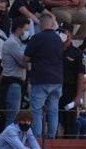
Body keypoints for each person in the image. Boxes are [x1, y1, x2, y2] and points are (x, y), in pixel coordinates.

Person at [25, 13, 65, 141]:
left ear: (41, 24)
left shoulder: (37, 38)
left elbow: (26, 57)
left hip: (41, 79)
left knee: (36, 110)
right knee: (53, 110)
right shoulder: (58, 39)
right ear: (52, 24)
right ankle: (51, 137)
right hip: (57, 80)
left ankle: (37, 139)